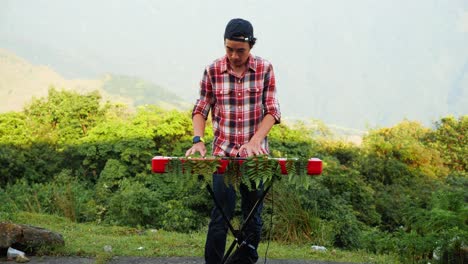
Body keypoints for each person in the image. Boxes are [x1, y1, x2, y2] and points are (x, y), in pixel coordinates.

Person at [185, 18, 281, 264]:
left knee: (253, 216)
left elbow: (272, 111)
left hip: (255, 157)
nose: (234, 56)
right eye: (229, 49)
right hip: (223, 154)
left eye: (240, 51)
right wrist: (198, 140)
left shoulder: (265, 69)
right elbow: (201, 108)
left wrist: (255, 140)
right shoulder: (213, 70)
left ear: (251, 47)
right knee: (220, 216)